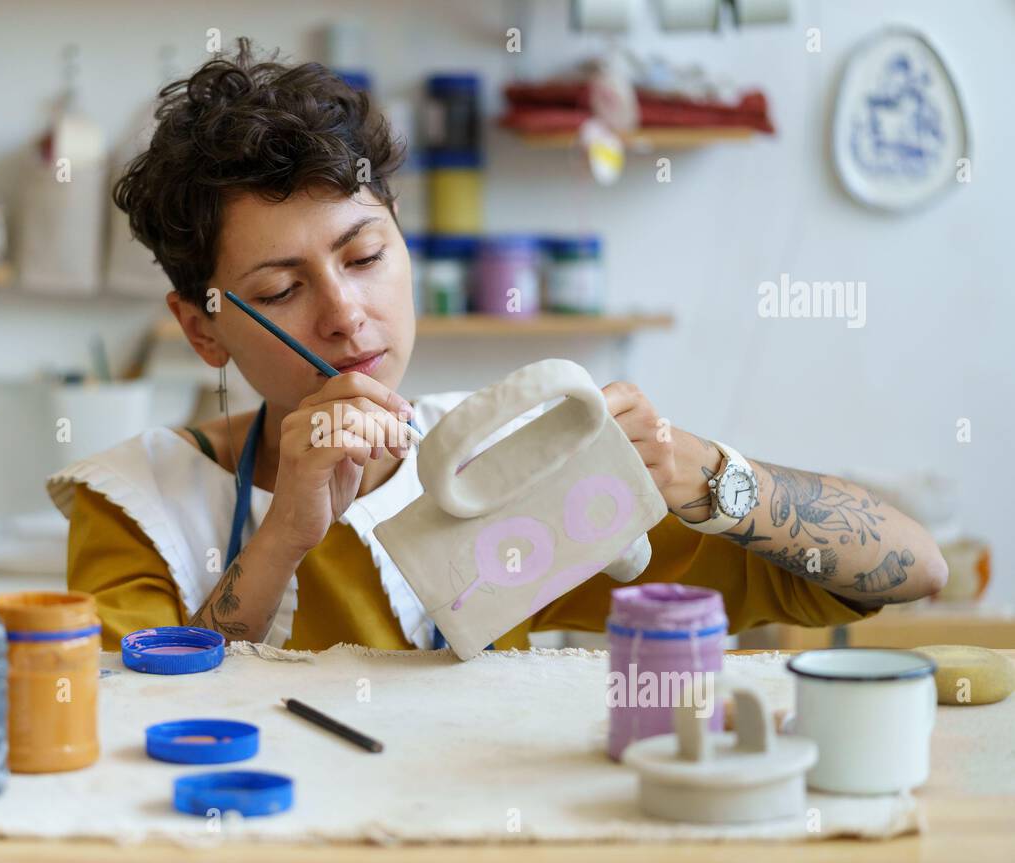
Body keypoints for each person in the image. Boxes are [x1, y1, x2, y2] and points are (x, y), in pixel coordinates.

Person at [47, 38, 946, 652]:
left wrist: (699, 473)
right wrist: (283, 538)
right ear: (203, 328)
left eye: (365, 255)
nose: (347, 315)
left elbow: (909, 568)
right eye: (281, 290)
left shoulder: (508, 471)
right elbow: (113, 710)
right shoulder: (139, 500)